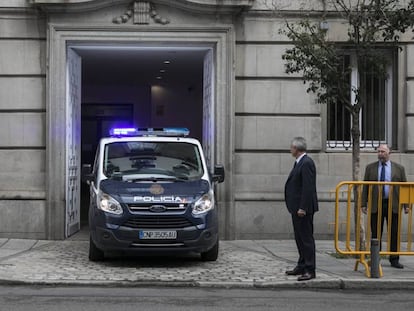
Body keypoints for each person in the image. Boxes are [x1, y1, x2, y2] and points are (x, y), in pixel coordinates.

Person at [361, 144, 409, 269]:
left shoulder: (399, 168)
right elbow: (365, 186)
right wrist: (363, 203)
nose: (380, 154)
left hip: (393, 204)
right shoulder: (370, 168)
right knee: (376, 233)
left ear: (389, 153)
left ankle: (394, 259)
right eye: (378, 151)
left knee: (394, 232)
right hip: (376, 204)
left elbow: (405, 187)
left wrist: (407, 205)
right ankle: (376, 258)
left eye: (383, 151)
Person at [284, 137, 319, 281]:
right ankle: (302, 264)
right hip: (296, 207)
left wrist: (303, 207)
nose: (290, 149)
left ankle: (310, 268)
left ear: (297, 149)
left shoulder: (306, 163)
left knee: (306, 239)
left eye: (291, 147)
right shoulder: (299, 162)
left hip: (302, 209)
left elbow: (308, 187)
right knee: (299, 238)